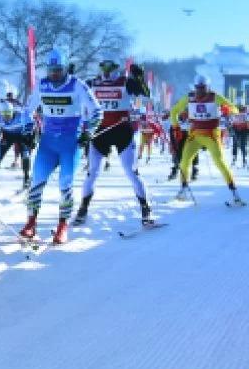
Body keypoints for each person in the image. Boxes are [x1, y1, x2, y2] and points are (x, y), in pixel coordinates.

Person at [19, 50, 101, 244]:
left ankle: (63, 226)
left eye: (58, 70)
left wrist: (88, 132)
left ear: (65, 69)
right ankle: (31, 223)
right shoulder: (42, 85)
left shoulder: (77, 85)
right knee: (36, 183)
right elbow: (27, 111)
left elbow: (97, 111)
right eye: (51, 70)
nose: (54, 74)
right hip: (48, 142)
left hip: (70, 142)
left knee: (65, 185)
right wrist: (29, 129)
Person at [75, 60, 152, 225]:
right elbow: (74, 93)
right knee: (92, 173)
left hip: (122, 131)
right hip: (100, 132)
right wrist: (70, 76)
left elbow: (146, 94)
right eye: (103, 68)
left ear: (116, 69)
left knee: (131, 171)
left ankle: (145, 207)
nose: (107, 72)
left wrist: (139, 78)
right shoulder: (92, 83)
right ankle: (83, 209)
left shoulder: (125, 82)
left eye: (110, 68)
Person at [166, 76, 242, 204]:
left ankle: (234, 192)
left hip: (211, 135)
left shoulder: (215, 97)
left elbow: (235, 108)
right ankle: (183, 189)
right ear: (194, 87)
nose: (200, 91)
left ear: (208, 87)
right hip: (194, 136)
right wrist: (175, 127)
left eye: (203, 88)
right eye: (198, 88)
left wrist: (228, 110)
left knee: (220, 162)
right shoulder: (189, 97)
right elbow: (174, 111)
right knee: (184, 162)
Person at [0, 101, 35, 189]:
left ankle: (26, 178)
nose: (6, 116)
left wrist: (32, 140)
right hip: (7, 136)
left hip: (21, 135)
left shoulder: (21, 115)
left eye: (8, 113)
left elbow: (33, 126)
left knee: (25, 154)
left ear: (13, 111)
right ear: (0, 113)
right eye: (4, 113)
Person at [230, 103, 249, 167]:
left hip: (243, 130)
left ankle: (243, 159)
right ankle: (235, 158)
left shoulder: (245, 113)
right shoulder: (234, 113)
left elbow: (247, 122)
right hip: (238, 130)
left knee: (242, 145)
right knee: (237, 144)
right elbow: (232, 122)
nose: (241, 109)